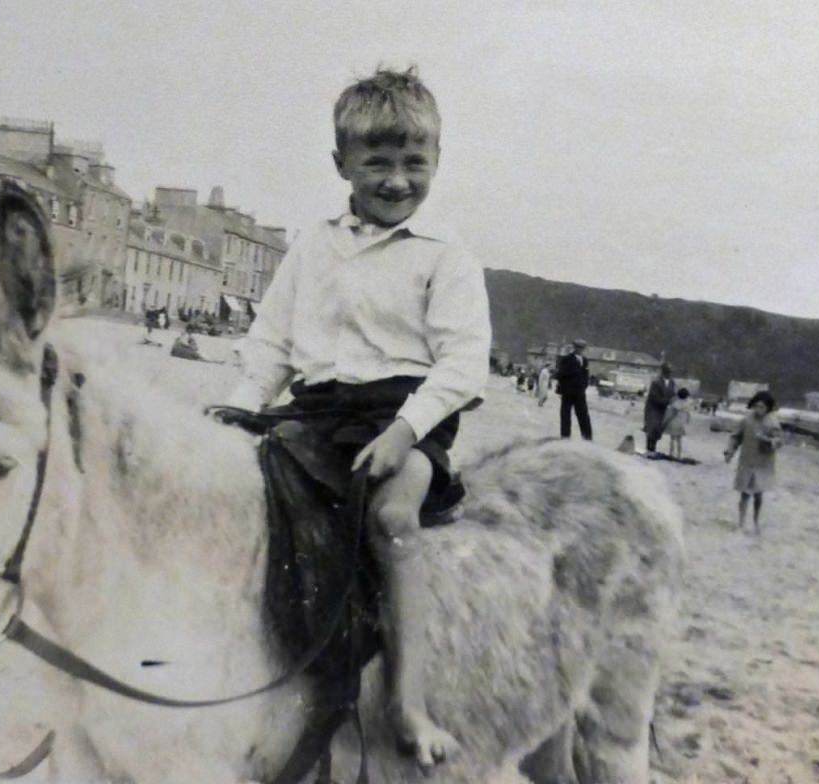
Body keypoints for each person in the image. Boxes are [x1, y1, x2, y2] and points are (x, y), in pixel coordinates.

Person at [222, 66, 489, 768]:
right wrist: (242, 407)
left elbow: (464, 364)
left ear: (437, 162)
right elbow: (272, 341)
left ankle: (406, 700)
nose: (396, 180)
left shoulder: (445, 255)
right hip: (316, 409)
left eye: (414, 163)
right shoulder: (313, 246)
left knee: (392, 521)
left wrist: (405, 433)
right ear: (341, 163)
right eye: (377, 162)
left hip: (408, 413)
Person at [724, 390, 781, 534]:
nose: (759, 410)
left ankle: (756, 522)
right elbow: (736, 436)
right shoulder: (747, 420)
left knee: (758, 495)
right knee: (744, 493)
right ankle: (741, 523)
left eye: (762, 407)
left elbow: (779, 441)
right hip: (747, 461)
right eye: (756, 406)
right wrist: (730, 451)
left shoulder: (773, 422)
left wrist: (768, 440)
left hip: (763, 463)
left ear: (768, 408)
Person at [554, 339, 593, 440]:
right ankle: (565, 437)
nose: (579, 350)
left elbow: (586, 376)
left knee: (583, 415)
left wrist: (584, 386)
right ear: (574, 347)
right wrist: (564, 387)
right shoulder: (566, 359)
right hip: (568, 392)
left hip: (580, 393)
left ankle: (587, 438)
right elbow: (560, 375)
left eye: (581, 348)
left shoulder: (585, 360)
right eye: (577, 347)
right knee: (566, 415)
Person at [644, 362, 676, 452]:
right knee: (652, 427)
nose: (669, 374)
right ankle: (649, 448)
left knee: (658, 429)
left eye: (670, 372)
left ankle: (653, 447)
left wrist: (673, 401)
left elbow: (672, 394)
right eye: (667, 372)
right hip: (653, 408)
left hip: (663, 409)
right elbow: (654, 397)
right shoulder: (656, 382)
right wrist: (667, 401)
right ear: (663, 371)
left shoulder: (672, 383)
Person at [663, 387, 693, 459]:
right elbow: (688, 415)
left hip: (674, 422)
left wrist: (666, 421)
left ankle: (671, 453)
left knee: (672, 438)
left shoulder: (676, 403)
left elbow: (672, 413)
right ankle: (678, 455)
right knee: (679, 439)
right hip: (681, 424)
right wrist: (687, 421)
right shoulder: (688, 404)